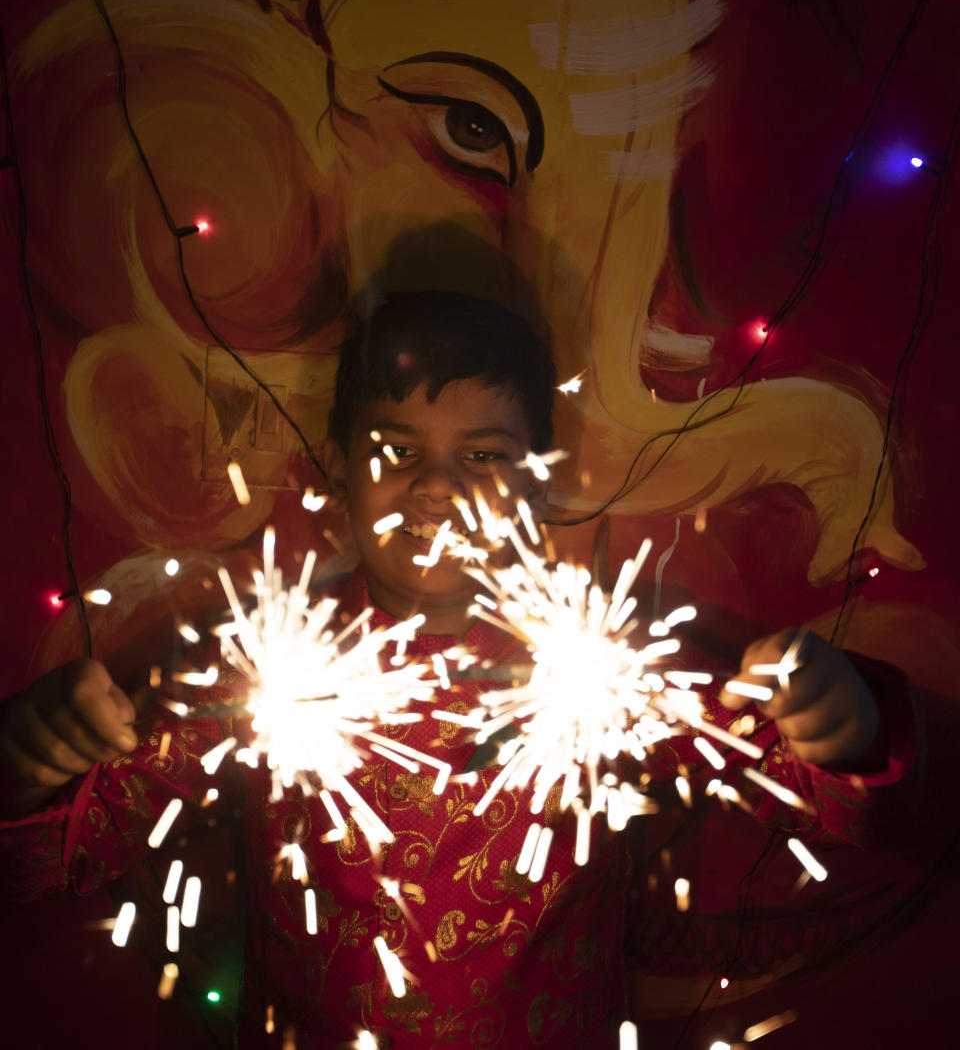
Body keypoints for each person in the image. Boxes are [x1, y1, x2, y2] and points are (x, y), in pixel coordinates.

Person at [0, 291, 921, 1049]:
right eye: (398, 452)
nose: (437, 489)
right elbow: (62, 856)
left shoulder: (604, 661)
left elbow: (822, 792)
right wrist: (23, 772)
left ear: (537, 483)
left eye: (482, 456)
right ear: (341, 472)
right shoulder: (256, 664)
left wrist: (842, 719)